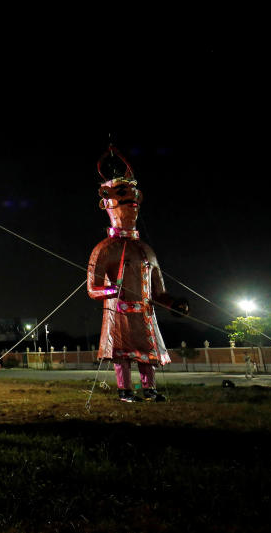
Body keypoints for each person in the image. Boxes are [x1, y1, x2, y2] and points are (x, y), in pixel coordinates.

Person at [87, 146, 189, 403]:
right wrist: (112, 291)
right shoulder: (104, 249)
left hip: (144, 313)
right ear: (107, 203)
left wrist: (172, 303)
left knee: (146, 354)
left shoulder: (146, 251)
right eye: (123, 200)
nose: (130, 207)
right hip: (119, 313)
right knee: (122, 355)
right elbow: (92, 288)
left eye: (133, 201)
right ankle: (125, 390)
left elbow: (158, 291)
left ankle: (150, 389)